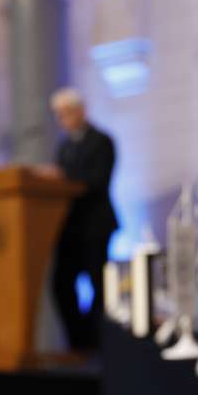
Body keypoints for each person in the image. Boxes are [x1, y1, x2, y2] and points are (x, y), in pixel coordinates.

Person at [40, 87, 119, 350]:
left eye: (66, 112)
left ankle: (96, 343)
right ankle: (79, 342)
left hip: (95, 226)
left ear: (80, 111)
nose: (62, 119)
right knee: (60, 284)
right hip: (69, 228)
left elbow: (97, 181)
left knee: (99, 285)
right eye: (59, 114)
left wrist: (63, 177)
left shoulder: (102, 141)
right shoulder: (64, 147)